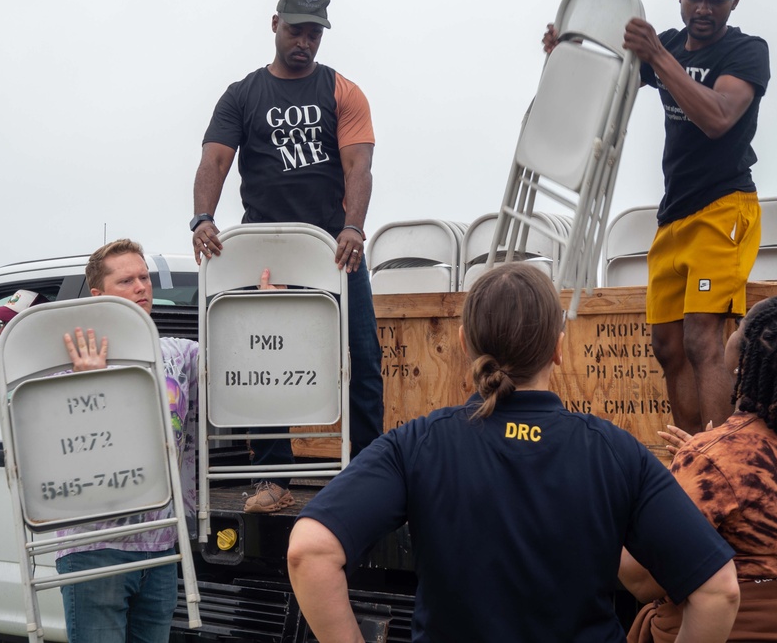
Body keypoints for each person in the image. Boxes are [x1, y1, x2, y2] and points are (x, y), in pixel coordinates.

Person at [287, 262, 740, 643]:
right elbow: (719, 593)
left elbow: (309, 553)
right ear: (559, 349)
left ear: (464, 344)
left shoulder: (418, 443)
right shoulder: (615, 451)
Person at [544, 0, 770, 433]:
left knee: (701, 341)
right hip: (674, 217)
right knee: (667, 347)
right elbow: (609, 74)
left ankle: (720, 466)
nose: (704, 9)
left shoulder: (746, 51)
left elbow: (717, 117)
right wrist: (568, 48)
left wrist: (659, 57)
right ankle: (690, 459)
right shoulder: (666, 45)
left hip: (724, 209)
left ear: (735, 2)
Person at [191, 0, 384, 513]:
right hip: (267, 252)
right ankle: (275, 477)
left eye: (315, 34)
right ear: (274, 24)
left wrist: (353, 227)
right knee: (262, 362)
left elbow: (358, 166)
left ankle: (373, 470)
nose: (305, 42)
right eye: (297, 30)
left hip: (331, 248)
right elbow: (214, 161)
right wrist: (203, 217)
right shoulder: (242, 94)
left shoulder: (343, 91)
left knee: (363, 357)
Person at [620, 293, 777, 643]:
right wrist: (707, 460)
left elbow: (643, 580)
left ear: (745, 353)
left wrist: (623, 503)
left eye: (741, 324)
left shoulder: (715, 457)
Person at [55, 239, 200, 643]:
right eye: (127, 280)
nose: (142, 287)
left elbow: (234, 361)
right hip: (96, 544)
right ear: (99, 296)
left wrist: (265, 309)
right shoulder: (67, 359)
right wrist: (87, 386)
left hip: (161, 542)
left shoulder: (177, 353)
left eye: (144, 278)